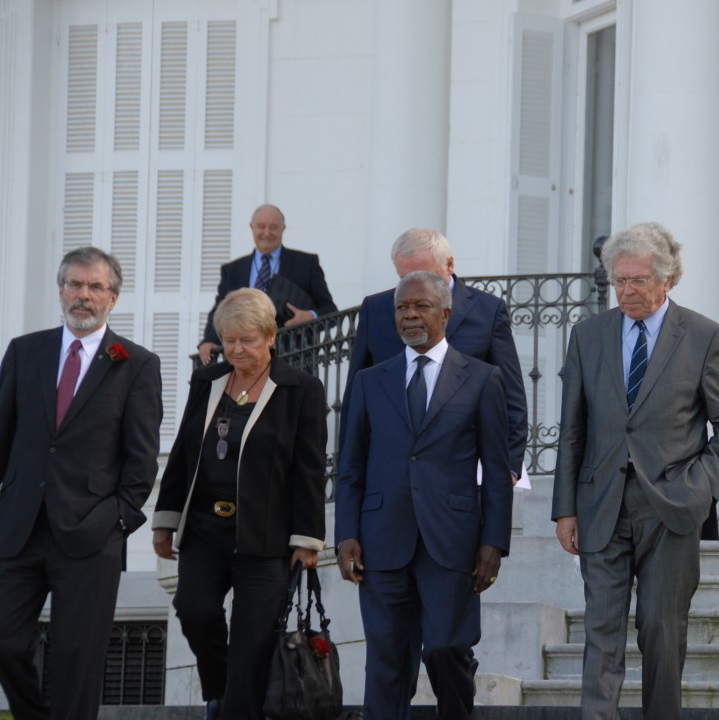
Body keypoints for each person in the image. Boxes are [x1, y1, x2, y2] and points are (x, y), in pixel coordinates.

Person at [552, 222, 719, 720]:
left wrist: (699, 490)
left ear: (667, 279)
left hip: (672, 506)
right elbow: (572, 430)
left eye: (638, 280)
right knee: (601, 629)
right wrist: (565, 510)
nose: (627, 291)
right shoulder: (587, 336)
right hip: (600, 504)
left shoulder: (704, 336)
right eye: (619, 281)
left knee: (661, 631)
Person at [0, 247, 163, 720]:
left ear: (113, 298)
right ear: (60, 290)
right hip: (17, 527)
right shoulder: (25, 351)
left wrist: (115, 522)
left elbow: (141, 462)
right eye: (74, 284)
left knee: (79, 661)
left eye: (95, 286)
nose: (83, 295)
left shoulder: (136, 364)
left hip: (91, 535)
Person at [335, 270, 513, 720]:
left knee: (446, 648)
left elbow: (497, 470)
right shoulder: (370, 381)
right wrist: (345, 534)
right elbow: (351, 466)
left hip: (452, 542)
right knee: (386, 663)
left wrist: (494, 542)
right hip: (381, 540)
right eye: (402, 307)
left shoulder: (482, 378)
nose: (410, 315)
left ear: (445, 314)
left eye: (421, 306)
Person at [152, 287, 327, 720]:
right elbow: (183, 452)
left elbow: (309, 468)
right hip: (204, 530)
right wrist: (165, 519)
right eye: (229, 340)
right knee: (194, 611)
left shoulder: (301, 389)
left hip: (265, 539)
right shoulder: (207, 381)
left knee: (253, 642)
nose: (235, 350)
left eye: (246, 340)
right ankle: (222, 691)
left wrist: (307, 538)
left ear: (271, 337)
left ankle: (234, 705)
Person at [340, 228, 527, 482]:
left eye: (425, 275)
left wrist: (510, 469)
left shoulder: (487, 311)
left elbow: (511, 396)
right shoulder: (376, 310)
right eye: (405, 278)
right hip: (391, 476)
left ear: (449, 265)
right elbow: (354, 402)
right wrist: (348, 474)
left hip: (462, 476)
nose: (414, 288)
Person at [198, 204, 338, 364]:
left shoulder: (306, 264)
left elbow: (331, 311)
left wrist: (310, 316)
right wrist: (209, 340)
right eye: (261, 226)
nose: (267, 233)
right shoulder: (233, 270)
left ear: (283, 229)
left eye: (273, 227)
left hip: (293, 361)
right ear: (251, 227)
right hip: (245, 362)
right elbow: (220, 311)